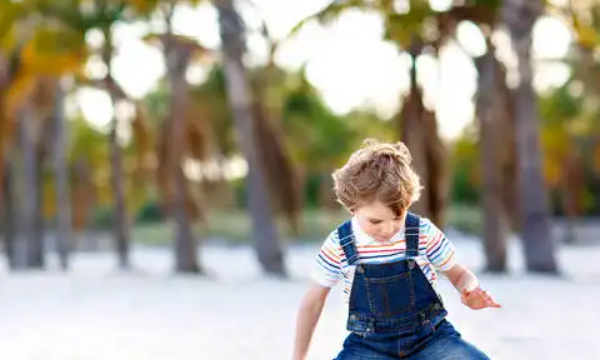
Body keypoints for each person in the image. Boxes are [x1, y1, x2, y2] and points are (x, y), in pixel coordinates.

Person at [292, 139, 500, 360]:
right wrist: (299, 357)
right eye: (375, 221)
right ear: (352, 208)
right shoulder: (339, 244)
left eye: (397, 217)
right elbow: (313, 302)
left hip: (431, 338)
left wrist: (469, 291)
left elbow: (459, 274)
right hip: (368, 346)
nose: (388, 229)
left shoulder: (421, 232)